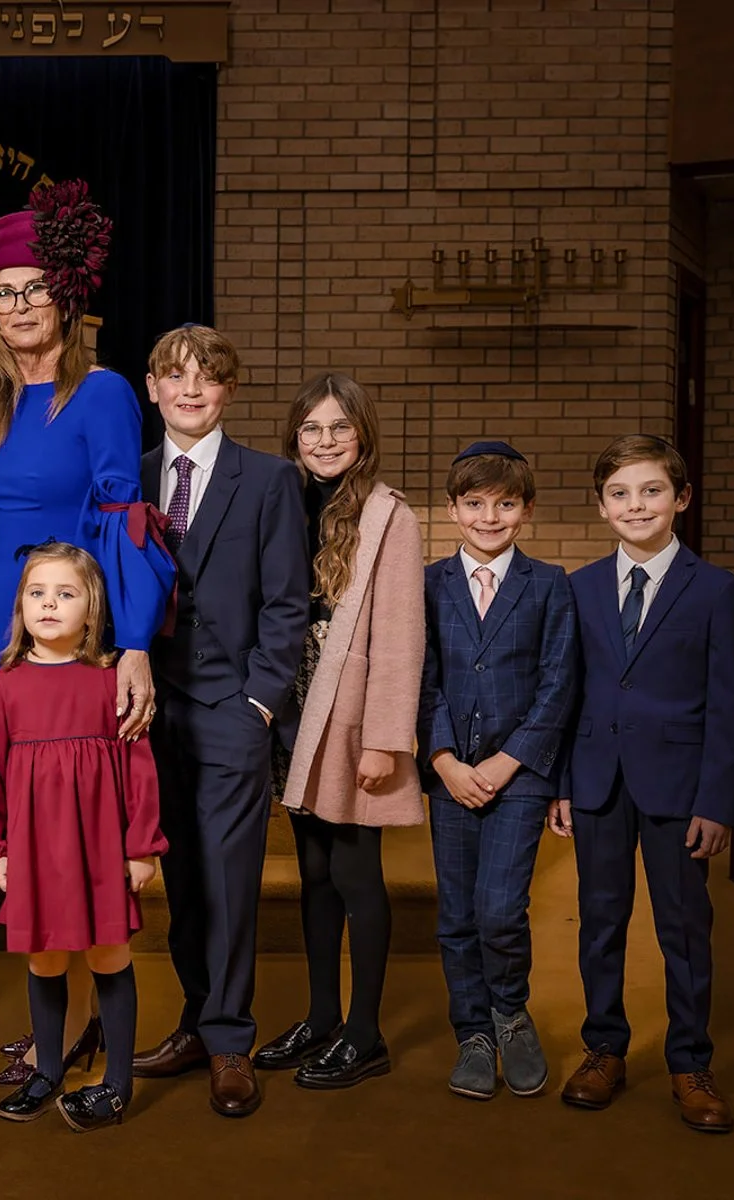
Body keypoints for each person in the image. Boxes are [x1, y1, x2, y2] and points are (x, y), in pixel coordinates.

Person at [0, 180, 175, 1076]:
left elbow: (123, 517)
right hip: (12, 638)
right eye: (3, 292)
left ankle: (100, 1033)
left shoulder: (98, 392)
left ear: (67, 297)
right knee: (36, 842)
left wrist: (129, 643)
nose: (19, 306)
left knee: (86, 840)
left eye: (33, 288)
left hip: (80, 637)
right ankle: (61, 1035)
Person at [129, 326, 308, 1118]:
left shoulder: (270, 481)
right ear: (152, 387)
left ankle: (232, 1037)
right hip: (150, 713)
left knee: (233, 883)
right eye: (176, 376)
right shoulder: (128, 480)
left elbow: (286, 604)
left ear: (229, 389)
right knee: (183, 881)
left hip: (233, 710)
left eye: (207, 377)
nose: (191, 389)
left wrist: (259, 703)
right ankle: (196, 1020)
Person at [548, 434, 734, 1134]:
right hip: (599, 780)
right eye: (620, 494)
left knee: (683, 928)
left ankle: (690, 1059)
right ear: (603, 506)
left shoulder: (715, 589)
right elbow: (569, 694)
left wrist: (716, 802)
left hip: (680, 788)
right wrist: (564, 784)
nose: (636, 505)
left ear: (681, 499)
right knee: (600, 922)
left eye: (652, 491)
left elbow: (729, 705)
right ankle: (604, 1049)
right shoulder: (579, 587)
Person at [0, 544, 165, 1132]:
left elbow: (139, 770)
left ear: (92, 607)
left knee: (108, 955)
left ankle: (118, 1082)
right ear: (20, 606)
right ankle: (47, 1068)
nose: (49, 604)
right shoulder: (2, 689)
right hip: (32, 854)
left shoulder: (111, 683)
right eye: (37, 594)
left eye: (65, 594)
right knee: (46, 958)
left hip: (100, 850)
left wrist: (141, 846)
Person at [258, 372, 424, 1090]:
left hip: (351, 719)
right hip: (292, 713)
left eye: (339, 428)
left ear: (363, 436)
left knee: (358, 875)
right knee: (314, 876)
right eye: (312, 429)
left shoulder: (390, 515)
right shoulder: (282, 501)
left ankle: (366, 1033)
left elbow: (400, 635)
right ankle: (322, 1016)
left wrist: (386, 738)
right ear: (295, 437)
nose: (325, 441)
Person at [418, 441, 578, 1102]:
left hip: (522, 773)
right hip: (450, 772)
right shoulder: (427, 585)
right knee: (456, 911)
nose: (490, 517)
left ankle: (510, 1012)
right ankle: (473, 1033)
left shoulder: (549, 585)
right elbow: (419, 681)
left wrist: (510, 762)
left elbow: (559, 683)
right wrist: (446, 760)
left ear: (527, 510)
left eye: (505, 504)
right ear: (454, 509)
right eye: (476, 504)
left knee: (499, 907)